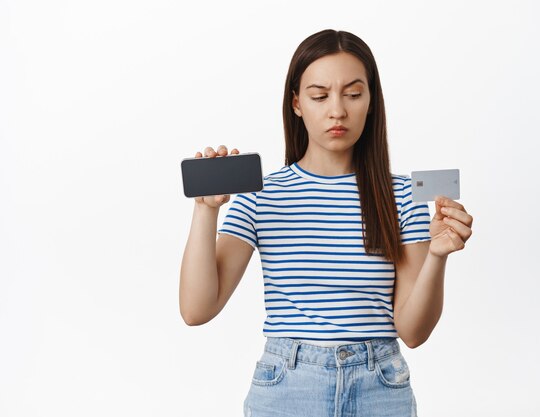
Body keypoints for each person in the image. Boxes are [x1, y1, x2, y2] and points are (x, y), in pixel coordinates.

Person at [179, 29, 474, 417]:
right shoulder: (261, 194)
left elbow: (414, 333)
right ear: (297, 103)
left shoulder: (401, 195)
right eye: (320, 96)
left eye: (353, 94)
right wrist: (206, 209)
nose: (337, 110)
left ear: (371, 101)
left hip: (380, 388)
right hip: (287, 388)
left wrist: (438, 256)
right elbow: (196, 310)